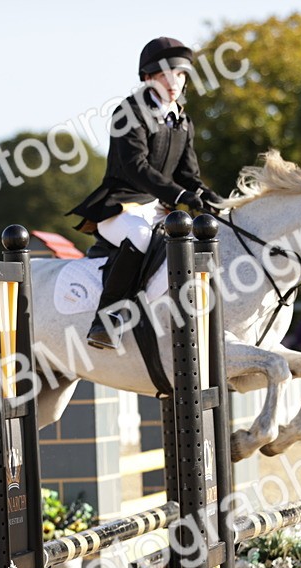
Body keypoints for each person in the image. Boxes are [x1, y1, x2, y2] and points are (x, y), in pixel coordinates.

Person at [70, 36, 225, 349]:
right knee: (141, 237)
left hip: (159, 209)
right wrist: (180, 195)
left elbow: (188, 174)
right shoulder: (129, 112)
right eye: (166, 75)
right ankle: (106, 320)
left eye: (180, 75)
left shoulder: (182, 120)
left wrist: (211, 197)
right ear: (148, 78)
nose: (174, 82)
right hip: (121, 206)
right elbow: (135, 167)